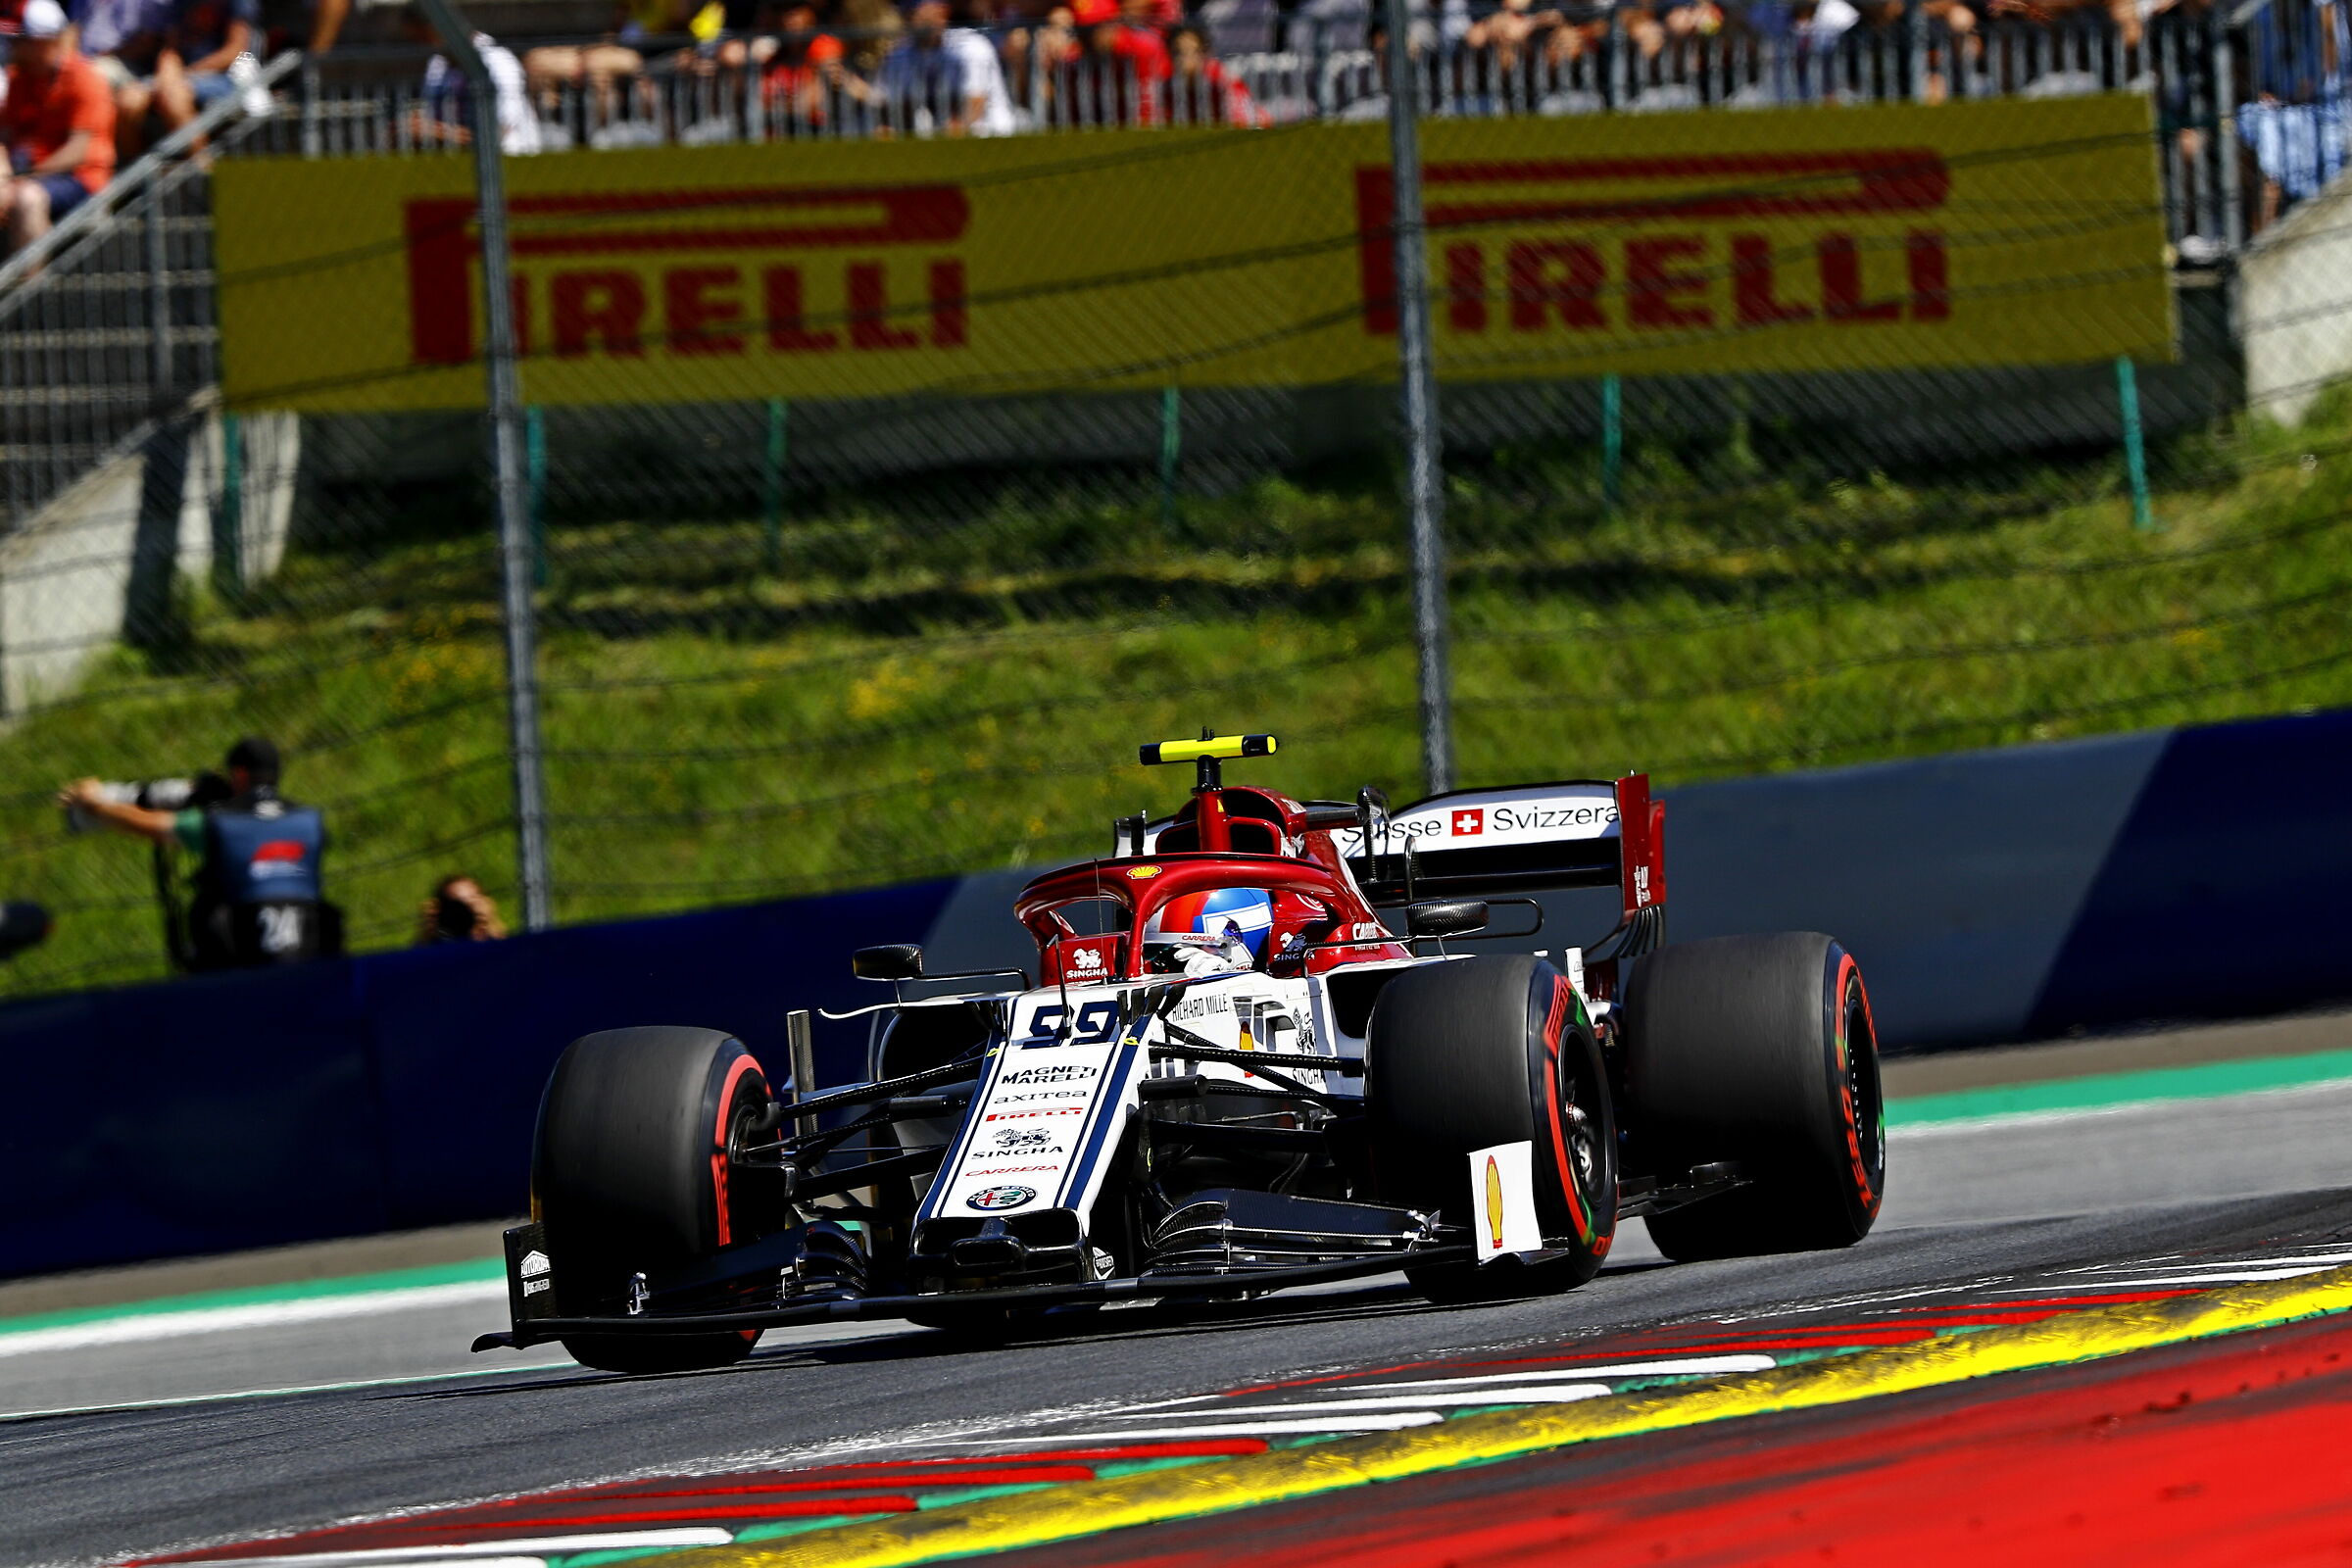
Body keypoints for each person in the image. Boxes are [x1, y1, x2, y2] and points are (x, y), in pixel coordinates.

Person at [58, 736, 338, 972]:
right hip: (311, 956)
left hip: (240, 960)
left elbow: (150, 825)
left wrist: (94, 803)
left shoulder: (221, 824)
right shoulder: (310, 822)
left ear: (239, 775)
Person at [4, 0, 116, 259]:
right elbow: (8, 137)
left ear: (42, 41)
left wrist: (25, 176)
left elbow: (78, 151)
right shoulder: (18, 78)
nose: (11, 47)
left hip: (81, 180)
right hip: (32, 174)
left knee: (27, 198)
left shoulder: (83, 77)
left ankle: (34, 292)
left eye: (19, 41)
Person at [404, 7, 543, 154]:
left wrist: (435, 132)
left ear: (441, 30)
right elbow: (433, 121)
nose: (420, 48)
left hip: (509, 164)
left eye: (422, 39)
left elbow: (498, 132)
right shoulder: (437, 65)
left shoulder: (496, 60)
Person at [149, 0, 266, 141]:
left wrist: (186, 74)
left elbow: (235, 52)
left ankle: (201, 160)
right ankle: (138, 161)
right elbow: (171, 49)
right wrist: (167, 75)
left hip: (227, 78)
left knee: (174, 95)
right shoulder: (178, 4)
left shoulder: (240, 3)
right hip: (182, 77)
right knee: (131, 98)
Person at [416, 873, 507, 945]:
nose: (464, 911)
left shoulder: (490, 941)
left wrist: (491, 924)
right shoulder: (440, 945)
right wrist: (426, 935)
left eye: (472, 901)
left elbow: (511, 957)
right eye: (457, 905)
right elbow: (414, 964)